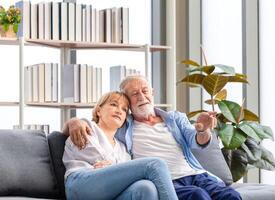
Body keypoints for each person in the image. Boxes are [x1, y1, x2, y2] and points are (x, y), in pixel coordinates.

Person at [64, 76, 242, 200]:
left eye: (145, 91)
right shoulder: (122, 126)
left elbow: (196, 141)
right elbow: (87, 126)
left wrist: (203, 129)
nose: (141, 96)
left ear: (152, 93)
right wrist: (73, 121)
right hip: (168, 181)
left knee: (231, 196)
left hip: (196, 175)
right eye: (134, 94)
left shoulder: (174, 118)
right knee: (197, 195)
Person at [62, 91, 178, 200]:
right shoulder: (86, 127)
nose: (119, 111)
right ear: (98, 111)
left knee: (146, 187)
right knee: (156, 164)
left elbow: (119, 175)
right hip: (81, 184)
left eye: (124, 109)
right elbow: (91, 155)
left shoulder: (122, 148)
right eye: (114, 105)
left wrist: (110, 168)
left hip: (109, 192)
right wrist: (73, 121)